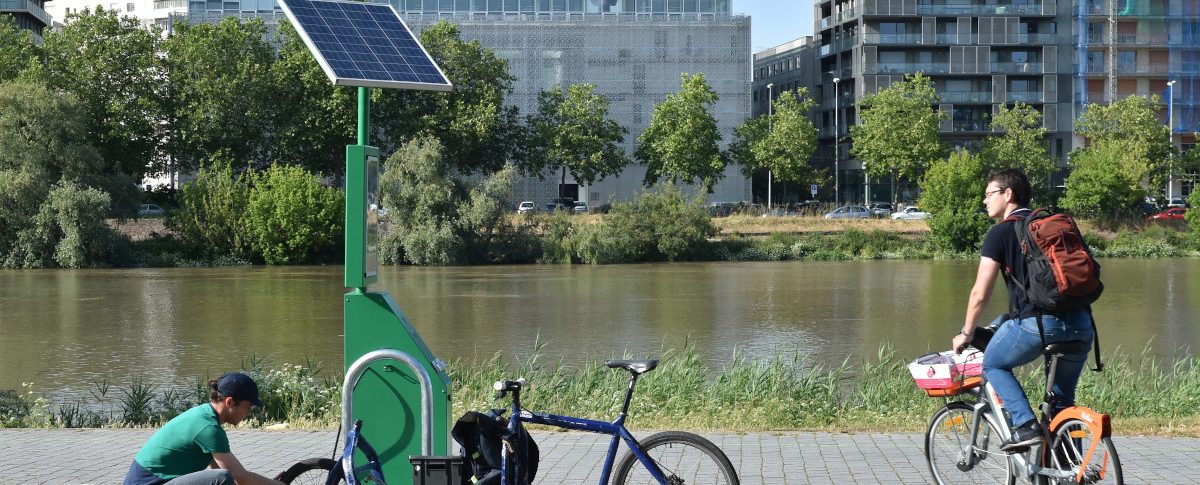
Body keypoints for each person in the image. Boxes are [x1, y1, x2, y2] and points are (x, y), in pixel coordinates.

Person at [951, 169, 1094, 453]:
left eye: (989, 193)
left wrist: (967, 332)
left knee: (993, 364)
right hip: (1082, 323)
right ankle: (1068, 468)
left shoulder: (1000, 232)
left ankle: (1026, 425)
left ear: (1008, 194)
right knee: (1061, 401)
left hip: (1039, 325)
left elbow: (980, 293)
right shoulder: (1056, 224)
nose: (984, 201)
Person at [123, 372, 286, 485]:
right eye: (248, 407)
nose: (249, 413)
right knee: (223, 478)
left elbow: (217, 468)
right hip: (151, 482)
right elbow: (238, 476)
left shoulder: (205, 414)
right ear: (229, 402)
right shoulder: (209, 428)